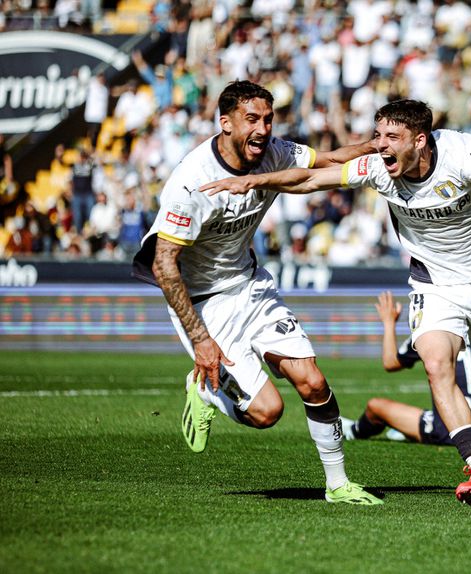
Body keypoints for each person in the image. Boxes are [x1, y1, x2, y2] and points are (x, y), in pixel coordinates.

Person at [199, 99, 471, 506]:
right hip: (433, 284)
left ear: (420, 141)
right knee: (437, 365)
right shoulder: (377, 168)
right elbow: (312, 180)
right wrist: (253, 182)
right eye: (378, 135)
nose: (379, 146)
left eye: (391, 138)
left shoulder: (463, 154)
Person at [132, 81, 382, 505]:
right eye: (253, 119)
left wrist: (381, 145)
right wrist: (201, 340)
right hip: (203, 302)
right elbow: (163, 265)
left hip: (250, 284)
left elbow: (332, 159)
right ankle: (206, 390)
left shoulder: (275, 152)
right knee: (267, 413)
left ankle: (338, 484)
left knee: (313, 381)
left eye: (268, 119)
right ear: (225, 123)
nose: (264, 128)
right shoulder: (193, 182)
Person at [342, 291, 471, 446]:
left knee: (375, 406)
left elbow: (390, 363)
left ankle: (353, 431)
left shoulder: (436, 331)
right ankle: (406, 429)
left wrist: (389, 322)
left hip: (450, 430)